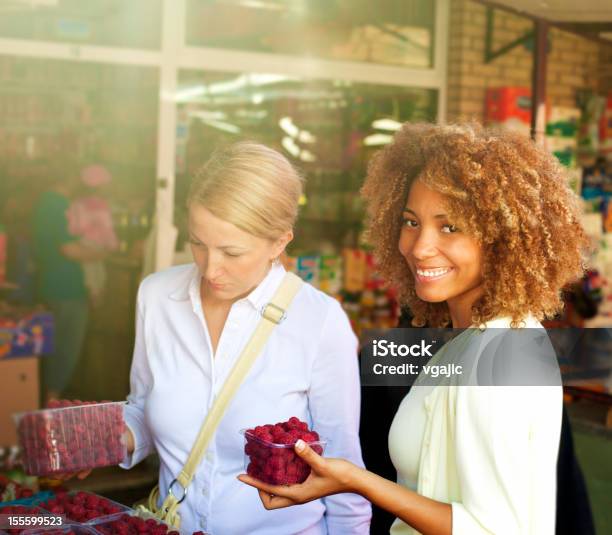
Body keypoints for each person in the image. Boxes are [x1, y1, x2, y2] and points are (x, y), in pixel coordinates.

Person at [239, 123, 590, 534]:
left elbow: (493, 529)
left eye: (450, 227)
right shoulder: (468, 341)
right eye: (410, 221)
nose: (420, 247)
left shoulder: (500, 354)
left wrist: (353, 480)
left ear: (502, 238)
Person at [119, 142, 371, 535]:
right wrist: (105, 439)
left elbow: (343, 470)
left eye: (231, 252)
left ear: (279, 242)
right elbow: (145, 406)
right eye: (198, 244)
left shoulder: (319, 321)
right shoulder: (156, 296)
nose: (210, 268)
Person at [31, 162, 108, 403]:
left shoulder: (43, 203)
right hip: (68, 289)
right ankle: (51, 405)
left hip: (49, 285)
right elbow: (70, 249)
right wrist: (102, 255)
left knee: (52, 350)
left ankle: (46, 401)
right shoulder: (60, 205)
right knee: (65, 350)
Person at [66, 164, 119, 306]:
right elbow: (107, 227)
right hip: (97, 245)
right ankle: (96, 299)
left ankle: (92, 295)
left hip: (81, 242)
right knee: (98, 274)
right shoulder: (101, 205)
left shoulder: (76, 203)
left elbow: (73, 224)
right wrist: (113, 245)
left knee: (89, 274)